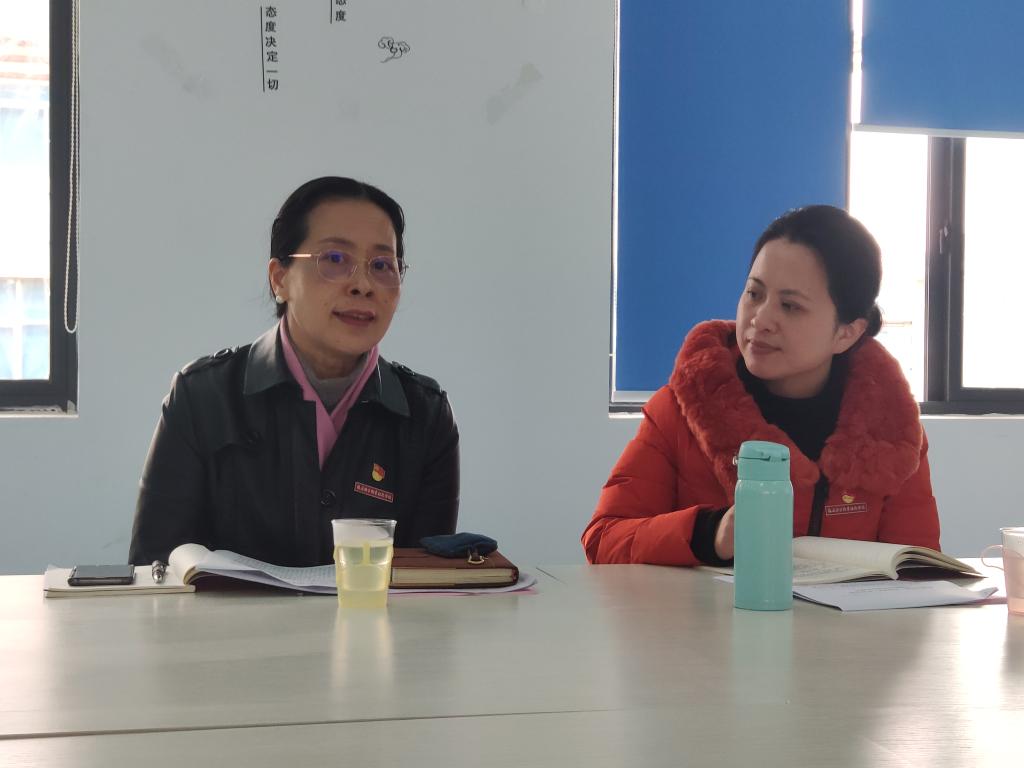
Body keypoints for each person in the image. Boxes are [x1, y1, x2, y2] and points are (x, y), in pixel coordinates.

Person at [583, 205, 939, 566]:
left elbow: (917, 571)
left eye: (790, 306)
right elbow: (603, 540)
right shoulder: (682, 410)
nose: (761, 319)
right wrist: (709, 533)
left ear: (846, 333)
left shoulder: (890, 433)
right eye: (754, 294)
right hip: (712, 607)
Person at [129, 177, 459, 566]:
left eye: (382, 265)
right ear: (280, 279)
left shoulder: (425, 416)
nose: (363, 285)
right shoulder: (203, 397)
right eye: (335, 259)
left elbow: (427, 583)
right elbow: (155, 569)